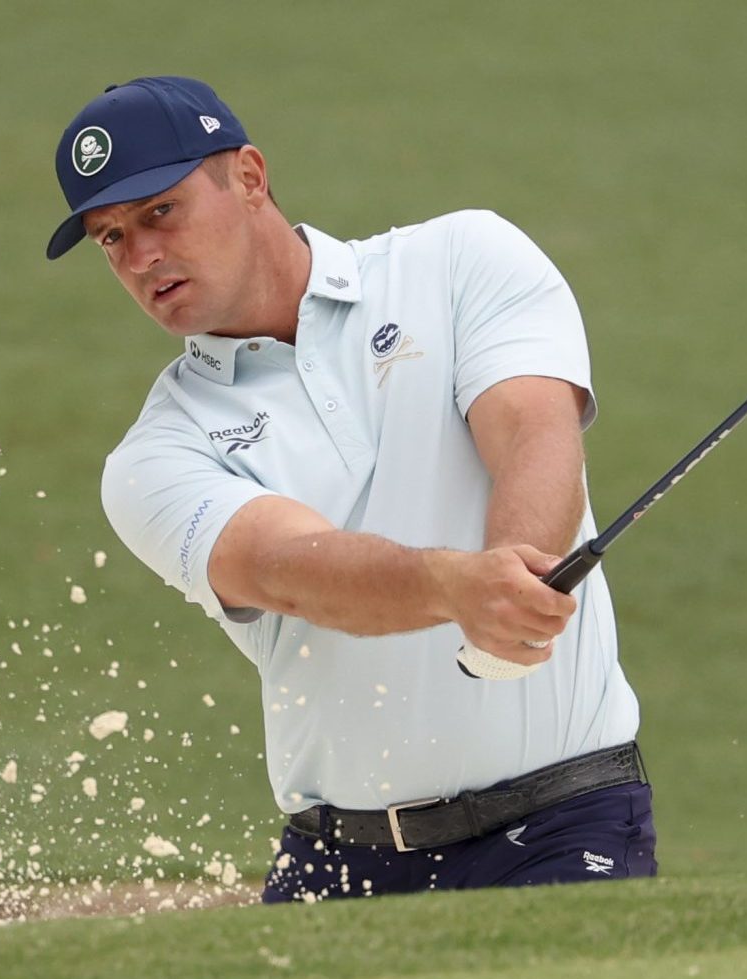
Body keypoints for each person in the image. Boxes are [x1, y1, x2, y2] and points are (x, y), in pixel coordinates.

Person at [45, 76, 654, 903]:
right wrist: (458, 588)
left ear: (250, 177)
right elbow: (291, 565)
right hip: (340, 863)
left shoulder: (460, 259)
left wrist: (517, 580)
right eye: (109, 237)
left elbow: (532, 434)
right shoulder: (156, 454)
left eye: (160, 212)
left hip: (559, 823)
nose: (141, 255)